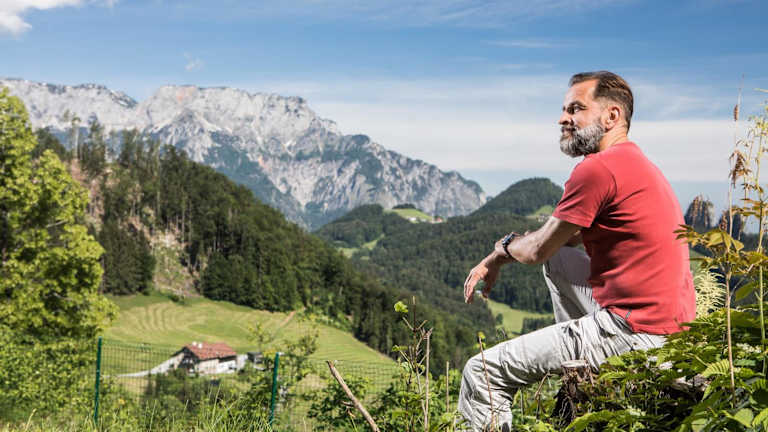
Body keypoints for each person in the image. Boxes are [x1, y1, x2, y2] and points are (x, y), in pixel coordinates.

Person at [458, 71, 696, 431]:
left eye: (575, 109)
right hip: (668, 330)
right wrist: (499, 257)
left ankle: (584, 364)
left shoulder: (598, 169)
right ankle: (580, 375)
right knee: (561, 256)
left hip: (633, 332)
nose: (562, 119)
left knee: (480, 374)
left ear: (612, 116)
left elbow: (536, 249)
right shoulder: (637, 165)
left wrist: (502, 247)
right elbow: (559, 243)